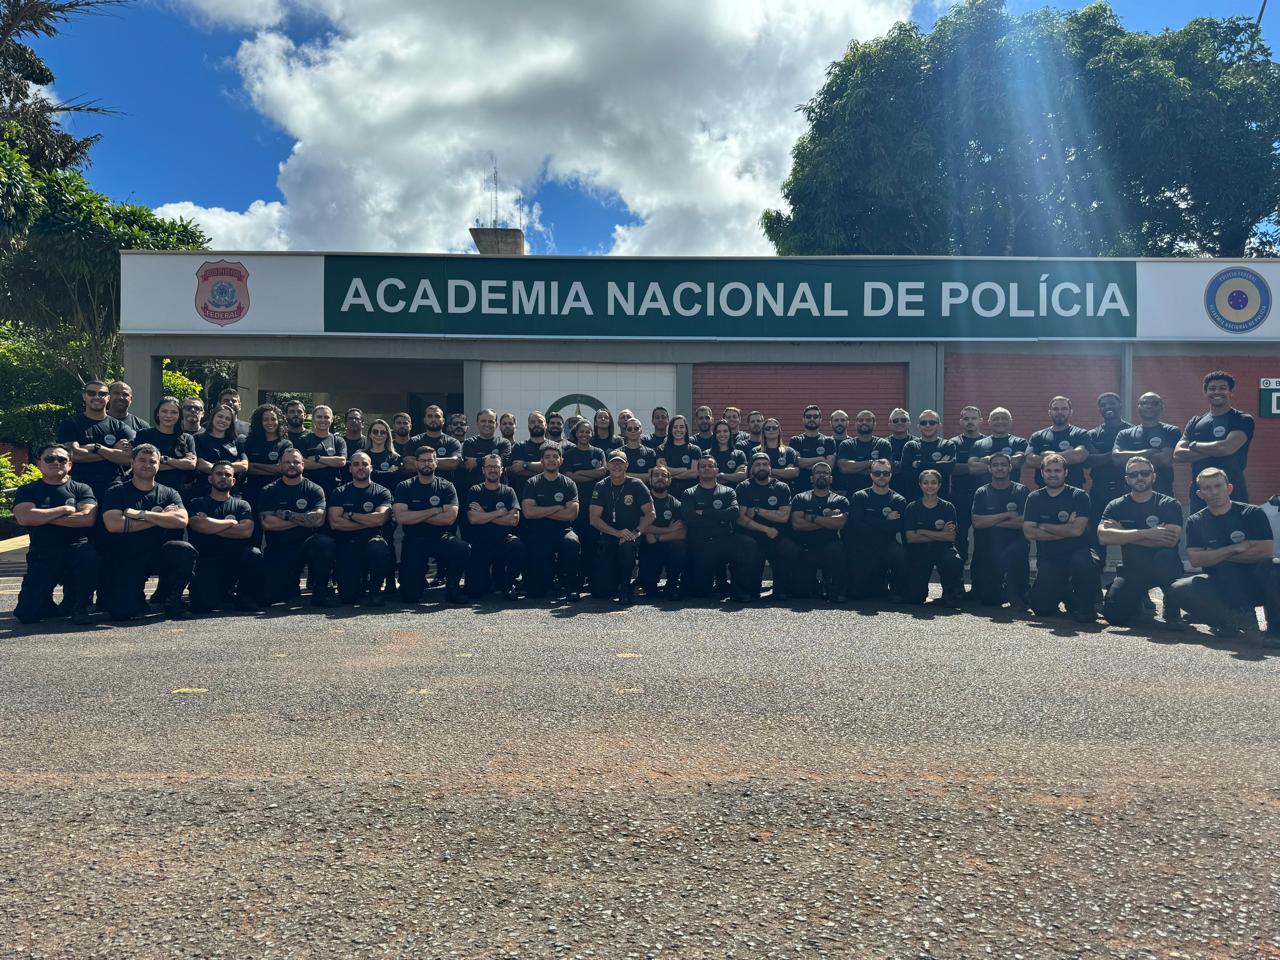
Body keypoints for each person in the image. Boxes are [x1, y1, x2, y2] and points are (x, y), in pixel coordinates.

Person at [1167, 467, 1280, 643]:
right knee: (1178, 589)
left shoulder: (1252, 514)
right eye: (1207, 488)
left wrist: (1214, 554)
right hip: (1220, 584)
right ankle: (1229, 621)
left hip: (1256, 583)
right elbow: (1196, 560)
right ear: (1200, 493)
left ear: (1229, 488)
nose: (1213, 492)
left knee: (1275, 566)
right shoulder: (1196, 521)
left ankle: (1275, 631)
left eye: (1218, 486)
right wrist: (1234, 549)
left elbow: (1265, 552)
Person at [100, 444, 196, 621]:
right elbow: (114, 525)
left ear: (159, 465)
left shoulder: (169, 493)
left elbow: (181, 521)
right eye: (142, 460)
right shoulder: (116, 492)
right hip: (127, 556)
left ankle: (173, 600)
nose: (147, 465)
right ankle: (136, 598)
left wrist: (142, 515)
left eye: (153, 461)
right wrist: (160, 517)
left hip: (160, 554)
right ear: (132, 462)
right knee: (121, 612)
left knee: (184, 549)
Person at [12, 443, 97, 626]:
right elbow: (24, 517)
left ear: (70, 465)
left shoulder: (81, 489)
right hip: (43, 554)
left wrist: (42, 517)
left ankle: (79, 606)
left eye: (62, 459)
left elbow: (86, 519)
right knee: (28, 615)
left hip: (76, 551)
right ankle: (45, 603)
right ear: (39, 463)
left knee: (89, 557)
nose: (56, 462)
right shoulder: (28, 490)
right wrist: (65, 509)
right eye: (49, 458)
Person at [1096, 456, 1185, 629]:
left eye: (1144, 473)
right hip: (1133, 569)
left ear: (1153, 476)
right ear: (1127, 479)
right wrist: (1148, 533)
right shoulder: (1116, 505)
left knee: (1165, 557)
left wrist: (1123, 534)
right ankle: (1137, 603)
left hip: (1164, 568)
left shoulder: (1169, 504)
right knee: (1115, 617)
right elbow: (1103, 537)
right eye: (1134, 474)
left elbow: (1169, 540)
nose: (1139, 478)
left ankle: (1172, 607)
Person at [1022, 453, 1099, 623]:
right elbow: (1029, 532)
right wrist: (1065, 529)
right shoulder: (1034, 498)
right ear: (1042, 473)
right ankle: (1064, 590)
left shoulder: (1079, 496)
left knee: (1085, 563)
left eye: (1057, 470)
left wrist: (1044, 526)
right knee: (1041, 609)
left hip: (1078, 552)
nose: (1053, 474)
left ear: (1065, 472)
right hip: (1050, 555)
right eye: (1048, 470)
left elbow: (1077, 531)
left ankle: (1084, 604)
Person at [258, 447, 336, 607]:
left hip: (308, 545)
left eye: (295, 462)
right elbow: (267, 523)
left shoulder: (315, 489)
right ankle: (289, 585)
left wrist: (286, 515)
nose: (291, 465)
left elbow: (318, 520)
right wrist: (304, 518)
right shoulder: (269, 490)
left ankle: (320, 592)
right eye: (287, 462)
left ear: (303, 465)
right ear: (279, 465)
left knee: (325, 543)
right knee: (271, 597)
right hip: (280, 547)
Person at [395, 447, 469, 604]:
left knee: (462, 548)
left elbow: (449, 518)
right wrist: (435, 510)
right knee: (410, 596)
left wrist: (416, 514)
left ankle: (453, 590)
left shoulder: (447, 487)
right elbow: (401, 517)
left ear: (436, 463)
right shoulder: (404, 487)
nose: (426, 464)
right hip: (414, 540)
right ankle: (418, 580)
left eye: (430, 460)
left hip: (440, 537)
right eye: (423, 460)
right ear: (416, 463)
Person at [187, 460, 264, 613]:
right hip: (207, 562)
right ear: (210, 478)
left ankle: (244, 598)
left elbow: (246, 531)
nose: (223, 477)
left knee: (254, 553)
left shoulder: (242, 505)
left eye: (228, 474)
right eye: (219, 474)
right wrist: (231, 522)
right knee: (204, 606)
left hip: (235, 561)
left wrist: (211, 525)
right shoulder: (197, 503)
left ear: (233, 480)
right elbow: (198, 526)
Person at [1175, 371, 1255, 512]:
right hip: (1200, 492)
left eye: (1222, 388)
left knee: (1237, 533)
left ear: (1231, 392)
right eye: (1212, 389)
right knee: (1200, 532)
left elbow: (1226, 448)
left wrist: (1194, 445)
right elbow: (1178, 454)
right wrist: (1216, 450)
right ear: (1205, 392)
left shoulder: (1242, 419)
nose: (1217, 392)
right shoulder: (1195, 422)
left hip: (1232, 489)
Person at [681, 456, 757, 602]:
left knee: (748, 544)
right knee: (700, 592)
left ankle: (739, 590)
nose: (707, 468)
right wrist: (720, 517)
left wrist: (703, 512)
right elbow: (690, 519)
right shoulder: (689, 493)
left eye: (710, 466)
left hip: (725, 540)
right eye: (703, 466)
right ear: (698, 471)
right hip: (701, 544)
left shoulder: (728, 491)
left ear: (717, 470)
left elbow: (733, 513)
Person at [589, 449, 656, 603]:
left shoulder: (636, 485)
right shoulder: (601, 486)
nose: (616, 466)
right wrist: (617, 533)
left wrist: (636, 533)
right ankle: (614, 582)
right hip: (609, 537)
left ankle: (626, 588)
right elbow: (594, 519)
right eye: (613, 463)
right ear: (607, 466)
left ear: (627, 465)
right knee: (600, 591)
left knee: (627, 546)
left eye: (620, 463)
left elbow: (651, 513)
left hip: (631, 537)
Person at [328, 451, 394, 606]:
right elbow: (335, 523)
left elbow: (379, 519)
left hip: (372, 541)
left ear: (371, 468)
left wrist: (350, 515)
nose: (360, 467)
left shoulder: (382, 492)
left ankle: (375, 589)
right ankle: (359, 582)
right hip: (348, 545)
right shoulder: (340, 492)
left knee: (378, 547)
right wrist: (367, 520)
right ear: (350, 469)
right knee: (348, 597)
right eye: (356, 464)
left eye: (365, 464)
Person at [969, 452, 1031, 612]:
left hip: (1015, 544)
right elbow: (977, 522)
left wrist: (992, 522)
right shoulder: (982, 492)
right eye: (995, 465)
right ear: (989, 469)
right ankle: (1001, 589)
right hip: (988, 546)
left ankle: (1017, 591)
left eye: (1003, 465)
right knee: (990, 601)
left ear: (1010, 467)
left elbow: (1024, 522)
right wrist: (1006, 515)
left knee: (1016, 551)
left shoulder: (1022, 491)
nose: (999, 468)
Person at [520, 444, 582, 601]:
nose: (551, 460)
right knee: (536, 592)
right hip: (538, 532)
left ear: (561, 460)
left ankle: (570, 586)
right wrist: (556, 507)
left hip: (563, 530)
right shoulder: (532, 483)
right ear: (542, 461)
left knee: (572, 542)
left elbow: (572, 513)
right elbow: (528, 512)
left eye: (555, 457)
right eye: (547, 457)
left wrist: (541, 510)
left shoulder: (568, 484)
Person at [736, 450, 800, 601]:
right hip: (753, 537)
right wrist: (766, 528)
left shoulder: (781, 487)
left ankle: (782, 588)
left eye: (765, 464)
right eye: (757, 464)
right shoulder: (744, 487)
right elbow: (740, 518)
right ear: (751, 468)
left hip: (777, 536)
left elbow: (784, 517)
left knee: (790, 549)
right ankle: (750, 589)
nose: (762, 467)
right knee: (752, 592)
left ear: (770, 467)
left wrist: (758, 510)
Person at [57, 380, 133, 498]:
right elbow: (73, 455)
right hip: (79, 486)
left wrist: (96, 447)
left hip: (113, 487)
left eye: (102, 394)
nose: (97, 397)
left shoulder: (120, 427)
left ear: (108, 398)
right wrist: (112, 451)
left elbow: (128, 458)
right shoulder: (71, 424)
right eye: (91, 393)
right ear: (84, 396)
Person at [464, 453, 525, 599]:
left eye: (496, 467)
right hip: (480, 543)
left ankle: (509, 583)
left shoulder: (509, 491)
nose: (493, 470)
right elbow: (473, 519)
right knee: (475, 592)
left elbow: (514, 520)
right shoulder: (475, 491)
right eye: (489, 467)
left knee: (519, 546)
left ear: (502, 470)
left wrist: (484, 514)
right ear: (483, 470)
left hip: (503, 541)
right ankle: (488, 580)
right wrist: (498, 513)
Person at [846, 458, 908, 601]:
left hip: (887, 544)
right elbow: (856, 525)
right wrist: (885, 521)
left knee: (901, 554)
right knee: (858, 594)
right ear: (871, 475)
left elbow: (897, 527)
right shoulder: (860, 496)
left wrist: (868, 519)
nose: (881, 476)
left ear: (891, 475)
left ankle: (896, 590)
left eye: (886, 473)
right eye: (877, 473)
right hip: (863, 545)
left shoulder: (898, 500)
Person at [788, 461, 849, 600]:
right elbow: (797, 524)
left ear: (831, 478)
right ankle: (814, 584)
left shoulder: (840, 500)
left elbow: (840, 523)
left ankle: (836, 588)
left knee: (837, 549)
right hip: (806, 547)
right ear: (811, 478)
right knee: (801, 593)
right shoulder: (800, 498)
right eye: (818, 473)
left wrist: (812, 517)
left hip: (830, 545)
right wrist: (827, 522)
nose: (822, 475)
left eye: (826, 473)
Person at [902, 469, 963, 606]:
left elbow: (950, 537)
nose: (930, 486)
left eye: (934, 482)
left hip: (943, 549)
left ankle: (950, 592)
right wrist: (940, 534)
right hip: (920, 551)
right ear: (920, 485)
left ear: (940, 485)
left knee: (953, 560)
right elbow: (911, 538)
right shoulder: (912, 508)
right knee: (914, 598)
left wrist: (923, 531)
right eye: (926, 482)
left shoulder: (948, 507)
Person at [1112, 393, 1181, 497]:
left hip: (1162, 494)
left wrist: (1129, 458)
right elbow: (1116, 458)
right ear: (1138, 407)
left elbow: (1165, 459)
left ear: (1161, 407)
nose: (1149, 406)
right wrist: (1146, 452)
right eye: (1144, 403)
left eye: (1154, 403)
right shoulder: (1125, 433)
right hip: (1131, 495)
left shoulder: (1171, 431)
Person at [562, 419, 608, 569]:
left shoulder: (598, 452)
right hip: (576, 502)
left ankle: (590, 573)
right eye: (581, 431)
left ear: (592, 433)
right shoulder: (569, 454)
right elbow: (570, 476)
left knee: (593, 540)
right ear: (576, 433)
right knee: (577, 540)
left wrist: (580, 472)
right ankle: (576, 574)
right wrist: (591, 474)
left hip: (596, 503)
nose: (584, 434)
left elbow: (602, 472)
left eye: (588, 431)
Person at [1085, 392, 1133, 530]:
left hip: (1126, 489)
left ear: (1120, 405)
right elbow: (1088, 462)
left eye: (1111, 403)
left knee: (1128, 531)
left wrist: (1101, 456)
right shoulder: (1093, 434)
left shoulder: (1131, 431)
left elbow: (1134, 459)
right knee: (1096, 531)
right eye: (1103, 405)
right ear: (1099, 409)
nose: (1107, 407)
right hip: (1099, 490)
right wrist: (1117, 455)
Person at [638, 464, 687, 599]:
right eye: (656, 475)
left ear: (669, 481)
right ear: (650, 479)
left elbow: (682, 533)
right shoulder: (642, 500)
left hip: (668, 547)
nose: (660, 478)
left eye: (664, 476)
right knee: (648, 587)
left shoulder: (676, 504)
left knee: (679, 546)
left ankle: (672, 586)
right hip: (649, 549)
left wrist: (658, 536)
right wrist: (669, 530)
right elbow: (644, 527)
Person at [947, 405, 987, 567]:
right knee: (959, 538)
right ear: (960, 422)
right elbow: (951, 468)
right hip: (959, 497)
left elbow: (997, 467)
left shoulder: (988, 442)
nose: (970, 422)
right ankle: (957, 586)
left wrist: (964, 467)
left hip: (984, 498)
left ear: (981, 421)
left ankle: (980, 582)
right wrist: (978, 466)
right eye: (966, 418)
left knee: (984, 537)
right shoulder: (952, 444)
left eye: (973, 418)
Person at [135, 396, 197, 493]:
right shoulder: (144, 435)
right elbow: (142, 465)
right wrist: (180, 463)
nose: (168, 415)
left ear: (179, 415)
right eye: (164, 411)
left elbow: (191, 465)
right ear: (157, 413)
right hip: (149, 490)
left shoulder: (187, 438)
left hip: (180, 492)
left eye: (173, 412)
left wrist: (164, 460)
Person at [241, 403, 293, 518]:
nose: (270, 423)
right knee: (254, 529)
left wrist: (255, 465)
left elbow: (282, 469)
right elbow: (246, 468)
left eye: (273, 419)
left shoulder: (285, 444)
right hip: (253, 491)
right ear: (260, 421)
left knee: (273, 529)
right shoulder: (250, 442)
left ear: (279, 421)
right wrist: (273, 468)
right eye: (266, 419)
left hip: (277, 492)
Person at [1026, 396, 1091, 489]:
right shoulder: (1038, 436)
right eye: (1055, 409)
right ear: (1049, 412)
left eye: (1064, 409)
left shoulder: (1080, 434)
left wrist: (1048, 455)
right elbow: (1030, 460)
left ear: (1070, 412)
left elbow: (1079, 455)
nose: (1059, 412)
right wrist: (1068, 454)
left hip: (1073, 492)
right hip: (1044, 492)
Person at [900, 409, 957, 501]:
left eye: (932, 422)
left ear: (939, 425)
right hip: (915, 501)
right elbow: (906, 472)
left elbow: (948, 468)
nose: (927, 425)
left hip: (942, 501)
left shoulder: (947, 445)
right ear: (918, 426)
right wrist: (938, 464)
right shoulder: (911, 446)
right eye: (923, 423)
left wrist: (919, 464)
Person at [194, 404, 248, 496]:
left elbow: (244, 465)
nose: (223, 420)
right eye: (220, 416)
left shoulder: (236, 441)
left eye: (227, 419)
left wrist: (214, 467)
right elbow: (200, 464)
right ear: (213, 418)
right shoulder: (198, 439)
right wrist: (232, 467)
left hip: (232, 494)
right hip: (205, 493)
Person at [835, 410, 891, 496]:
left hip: (878, 495)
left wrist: (854, 469)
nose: (864, 422)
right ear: (855, 424)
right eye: (861, 420)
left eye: (868, 420)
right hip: (851, 495)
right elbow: (844, 468)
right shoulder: (846, 444)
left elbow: (884, 470)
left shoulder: (883, 444)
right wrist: (872, 463)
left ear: (874, 424)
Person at [294, 404, 347, 495]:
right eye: (319, 417)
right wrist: (331, 463)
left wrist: (317, 458)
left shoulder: (338, 440)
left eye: (326, 417)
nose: (323, 420)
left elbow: (341, 462)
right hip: (309, 490)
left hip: (333, 489)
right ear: (314, 419)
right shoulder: (303, 440)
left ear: (332, 419)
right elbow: (303, 464)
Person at [460, 408, 513, 496]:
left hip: (500, 494)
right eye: (483, 421)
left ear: (496, 425)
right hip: (475, 493)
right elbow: (469, 465)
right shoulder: (469, 443)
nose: (487, 424)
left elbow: (504, 461)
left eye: (490, 421)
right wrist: (494, 459)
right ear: (477, 423)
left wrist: (478, 461)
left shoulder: (504, 443)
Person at [969, 408, 1027, 479]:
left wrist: (987, 459)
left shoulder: (1019, 442)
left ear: (1010, 421)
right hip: (984, 489)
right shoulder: (978, 444)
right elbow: (972, 468)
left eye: (1004, 418)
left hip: (1012, 489)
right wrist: (1006, 463)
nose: (1000, 421)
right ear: (989, 422)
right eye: (996, 419)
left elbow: (1017, 462)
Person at [789, 404, 835, 494]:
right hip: (800, 489)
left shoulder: (828, 441)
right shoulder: (796, 440)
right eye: (808, 416)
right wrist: (820, 459)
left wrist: (805, 463)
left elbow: (829, 466)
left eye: (815, 416)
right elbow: (797, 463)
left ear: (820, 420)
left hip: (823, 491)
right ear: (803, 420)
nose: (812, 419)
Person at [656, 414, 701, 493]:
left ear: (686, 429)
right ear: (671, 429)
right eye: (675, 427)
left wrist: (672, 476)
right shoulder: (662, 449)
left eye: (681, 427)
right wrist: (684, 469)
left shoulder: (695, 450)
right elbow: (662, 471)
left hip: (690, 494)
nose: (678, 430)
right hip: (668, 493)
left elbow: (694, 473)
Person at [510, 411, 551, 496]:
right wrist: (547, 471)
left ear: (546, 425)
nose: (536, 424)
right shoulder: (519, 446)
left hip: (549, 496)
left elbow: (556, 468)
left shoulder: (553, 447)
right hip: (524, 495)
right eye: (532, 422)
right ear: (528, 426)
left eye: (540, 421)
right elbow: (517, 470)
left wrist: (525, 465)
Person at [753, 418, 799, 483]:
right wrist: (783, 472)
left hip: (784, 490)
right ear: (763, 431)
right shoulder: (756, 451)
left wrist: (767, 471)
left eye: (774, 428)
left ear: (779, 431)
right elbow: (753, 474)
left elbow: (794, 473)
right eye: (768, 428)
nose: (771, 430)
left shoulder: (789, 451)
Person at [885, 408, 915, 498]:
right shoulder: (882, 444)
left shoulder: (918, 443)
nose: (899, 422)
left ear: (909, 423)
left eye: (903, 420)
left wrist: (894, 466)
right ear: (889, 424)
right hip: (889, 493)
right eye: (895, 420)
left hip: (914, 491)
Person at [709, 419, 748, 485]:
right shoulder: (708, 454)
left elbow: (742, 476)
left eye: (725, 431)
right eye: (718, 432)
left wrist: (722, 475)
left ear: (730, 433)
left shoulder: (739, 454)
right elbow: (706, 476)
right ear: (715, 434)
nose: (722, 434)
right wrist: (733, 476)